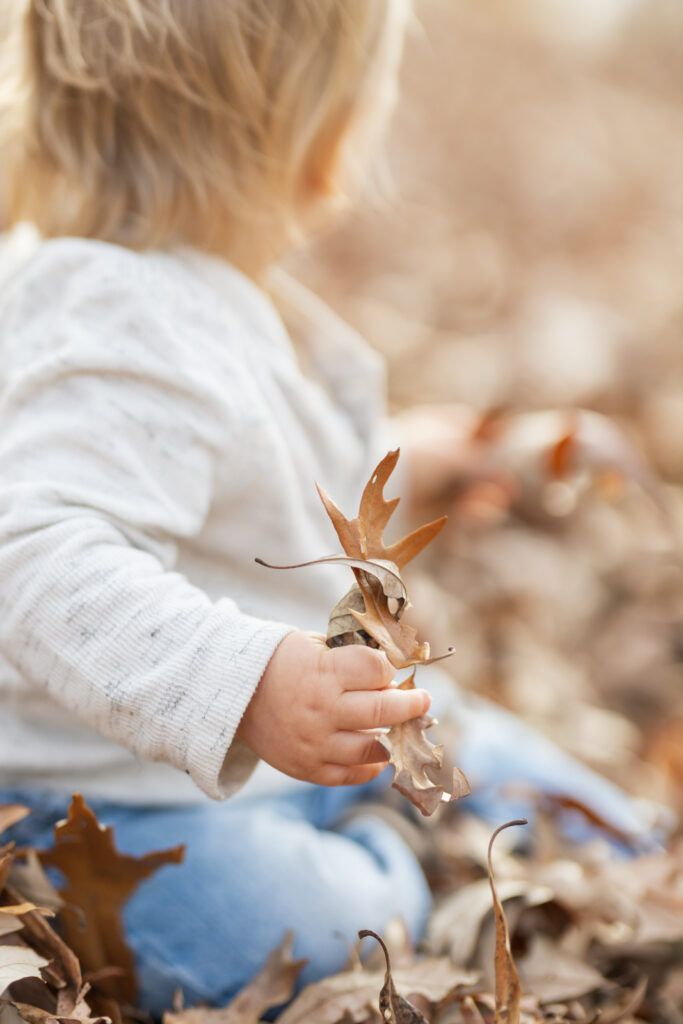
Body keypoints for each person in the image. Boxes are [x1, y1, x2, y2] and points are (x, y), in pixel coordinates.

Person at [0, 0, 663, 1015]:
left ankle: (639, 854)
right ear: (312, 137)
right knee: (295, 927)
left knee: (487, 750)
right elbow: (34, 554)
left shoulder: (157, 286)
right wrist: (244, 683)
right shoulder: (115, 312)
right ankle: (391, 864)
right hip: (112, 807)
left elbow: (251, 456)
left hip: (283, 741)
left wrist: (433, 454)